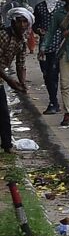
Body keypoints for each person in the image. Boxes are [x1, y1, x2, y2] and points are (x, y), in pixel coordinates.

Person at [40, 0, 69, 127]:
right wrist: (43, 47)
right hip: (66, 51)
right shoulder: (59, 13)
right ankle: (68, 113)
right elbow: (50, 32)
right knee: (65, 84)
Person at [0, 8, 32, 152]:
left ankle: (7, 145)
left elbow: (20, 64)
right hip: (2, 76)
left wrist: (22, 84)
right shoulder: (4, 35)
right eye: (21, 21)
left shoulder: (22, 41)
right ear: (14, 22)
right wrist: (10, 81)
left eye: (26, 22)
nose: (23, 25)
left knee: (3, 113)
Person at [33, 0, 61, 114]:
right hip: (44, 48)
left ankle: (53, 102)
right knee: (46, 75)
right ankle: (53, 100)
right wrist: (39, 30)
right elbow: (34, 25)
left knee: (53, 75)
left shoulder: (62, 7)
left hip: (59, 47)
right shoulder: (39, 8)